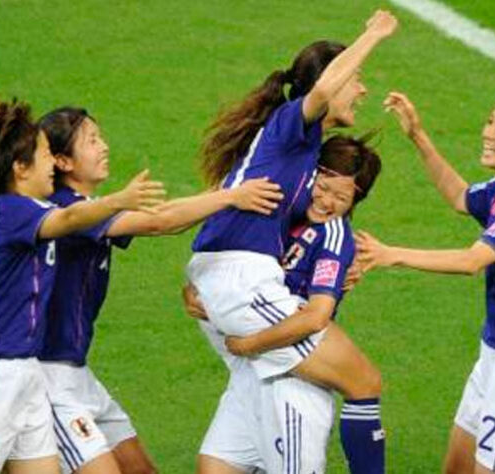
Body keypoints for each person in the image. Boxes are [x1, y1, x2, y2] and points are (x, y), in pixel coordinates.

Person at [186, 10, 397, 473]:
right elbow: (321, 91)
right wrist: (372, 35)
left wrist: (341, 265)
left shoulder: (300, 158)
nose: (361, 90)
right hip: (246, 285)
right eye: (356, 79)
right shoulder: (290, 126)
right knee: (363, 379)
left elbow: (248, 213)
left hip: (233, 280)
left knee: (219, 462)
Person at [36, 106, 284, 474]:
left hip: (76, 373)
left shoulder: (88, 209)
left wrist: (229, 190)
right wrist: (230, 198)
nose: (103, 147)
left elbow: (165, 211)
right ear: (63, 161)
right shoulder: (67, 211)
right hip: (48, 377)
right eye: (91, 141)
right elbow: (159, 223)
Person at [0, 99, 164, 474]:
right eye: (44, 155)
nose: (51, 165)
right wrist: (116, 201)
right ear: (20, 168)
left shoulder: (32, 210)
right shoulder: (10, 211)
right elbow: (70, 217)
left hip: (26, 375)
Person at [357, 84, 495, 474]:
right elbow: (460, 197)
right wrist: (418, 136)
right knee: (457, 466)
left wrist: (392, 254)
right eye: (490, 122)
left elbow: (473, 261)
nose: (488, 133)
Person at [188, 134, 382, 474]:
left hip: (292, 380)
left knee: (365, 382)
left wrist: (249, 343)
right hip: (249, 377)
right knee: (215, 465)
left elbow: (315, 317)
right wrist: (205, 297)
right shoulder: (284, 210)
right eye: (322, 187)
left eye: (341, 197)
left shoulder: (333, 238)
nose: (325, 201)